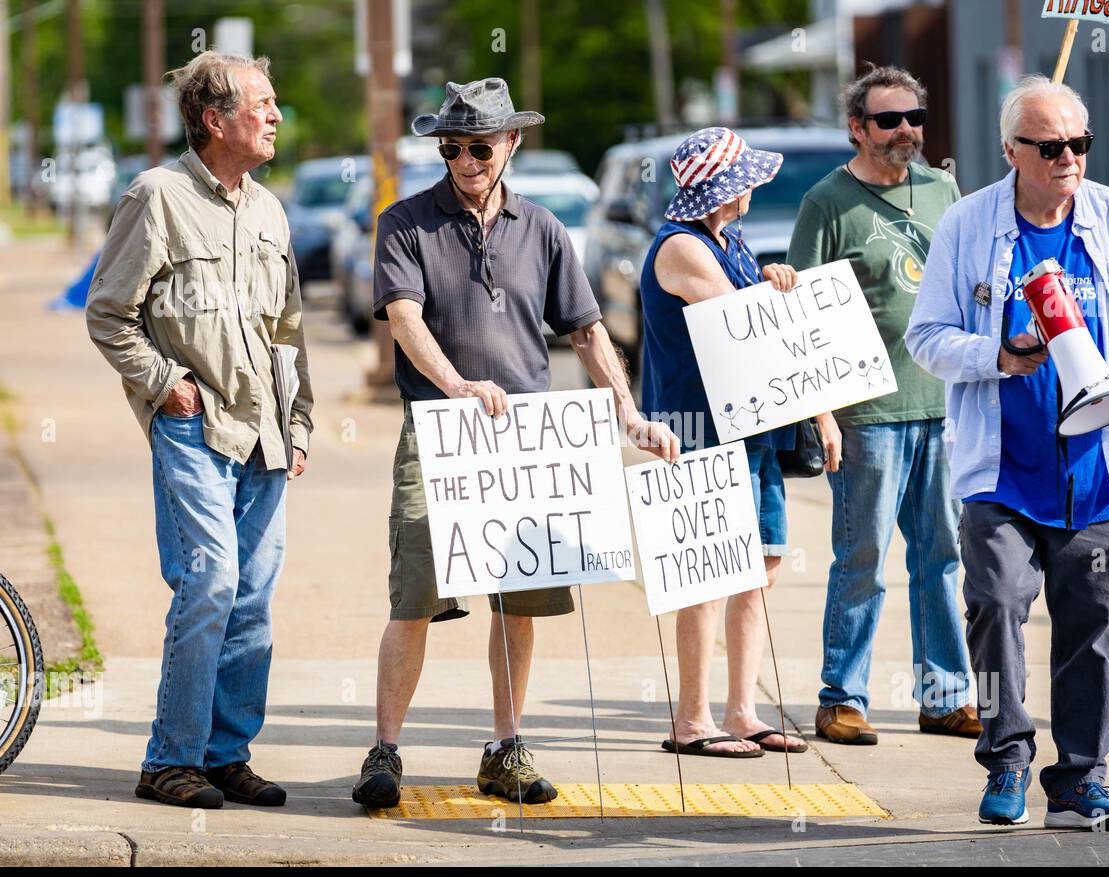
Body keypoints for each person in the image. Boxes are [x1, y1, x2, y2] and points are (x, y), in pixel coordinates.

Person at [351, 78, 678, 807]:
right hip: (439, 432)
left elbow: (587, 329)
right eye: (454, 148)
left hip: (531, 439)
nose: (467, 161)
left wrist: (627, 413)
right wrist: (457, 385)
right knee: (415, 595)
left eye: (481, 146)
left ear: (512, 143)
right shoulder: (405, 222)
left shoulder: (545, 229)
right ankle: (385, 751)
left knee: (519, 600)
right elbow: (403, 317)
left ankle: (505, 747)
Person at [906, 76, 1109, 830]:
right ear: (1012, 151)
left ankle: (1079, 782)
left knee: (1091, 631)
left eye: (1079, 143)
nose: (1069, 157)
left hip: (1097, 472)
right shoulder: (969, 226)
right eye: (1051, 145)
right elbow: (925, 337)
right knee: (994, 607)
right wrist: (999, 354)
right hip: (1002, 471)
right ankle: (1006, 759)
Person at [85, 51, 314, 809]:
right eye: (263, 103)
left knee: (251, 598)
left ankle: (224, 755)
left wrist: (301, 421)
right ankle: (169, 760)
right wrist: (164, 386)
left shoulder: (271, 210)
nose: (277, 115)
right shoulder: (156, 196)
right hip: (194, 428)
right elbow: (108, 313)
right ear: (214, 120)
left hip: (268, 436)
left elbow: (288, 331)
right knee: (210, 582)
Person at [787, 62, 980, 746]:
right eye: (889, 120)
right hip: (866, 414)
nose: (905, 131)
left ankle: (945, 697)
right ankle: (842, 697)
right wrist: (821, 414)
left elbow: (970, 284)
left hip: (943, 406)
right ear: (857, 128)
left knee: (943, 557)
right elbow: (802, 321)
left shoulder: (943, 189)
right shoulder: (826, 203)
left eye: (914, 118)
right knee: (861, 559)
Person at [641, 127, 818, 757]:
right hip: (700, 431)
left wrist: (776, 279)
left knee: (757, 570)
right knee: (708, 574)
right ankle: (691, 719)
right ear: (727, 189)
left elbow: (759, 312)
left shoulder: (729, 241)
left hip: (753, 428)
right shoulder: (681, 249)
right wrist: (773, 293)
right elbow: (745, 323)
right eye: (745, 181)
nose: (751, 191)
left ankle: (743, 711)